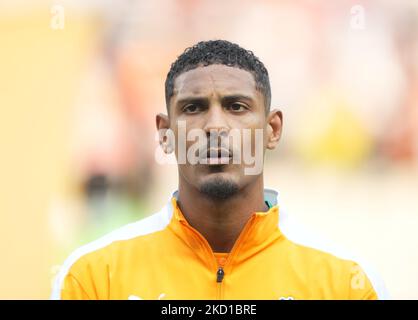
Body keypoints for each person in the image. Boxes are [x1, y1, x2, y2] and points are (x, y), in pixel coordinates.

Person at [51, 40, 388, 300]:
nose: (214, 126)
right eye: (193, 107)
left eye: (236, 107)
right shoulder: (94, 276)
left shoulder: (345, 282)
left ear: (272, 129)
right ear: (165, 135)